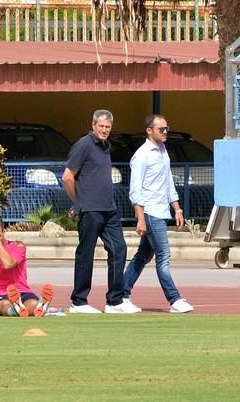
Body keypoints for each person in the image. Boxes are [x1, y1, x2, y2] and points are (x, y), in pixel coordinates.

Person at [62, 110, 137, 314]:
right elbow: (68, 177)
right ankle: (79, 301)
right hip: (90, 209)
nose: (104, 130)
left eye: (108, 127)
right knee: (86, 254)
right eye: (101, 126)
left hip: (109, 208)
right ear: (93, 125)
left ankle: (115, 301)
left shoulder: (106, 146)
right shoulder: (84, 145)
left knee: (119, 249)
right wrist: (77, 202)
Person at [122, 114, 194, 314]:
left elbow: (168, 182)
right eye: (161, 129)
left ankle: (120, 295)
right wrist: (141, 218)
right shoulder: (142, 156)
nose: (165, 132)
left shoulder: (163, 152)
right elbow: (135, 191)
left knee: (142, 256)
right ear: (149, 131)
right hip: (151, 212)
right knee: (163, 256)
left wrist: (177, 208)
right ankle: (174, 299)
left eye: (166, 129)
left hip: (161, 211)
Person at [0, 214, 53, 317]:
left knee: (32, 303)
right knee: (4, 305)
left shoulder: (18, 246)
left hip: (22, 291)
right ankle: (15, 310)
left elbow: (8, 264)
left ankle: (38, 307)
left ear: (4, 232)